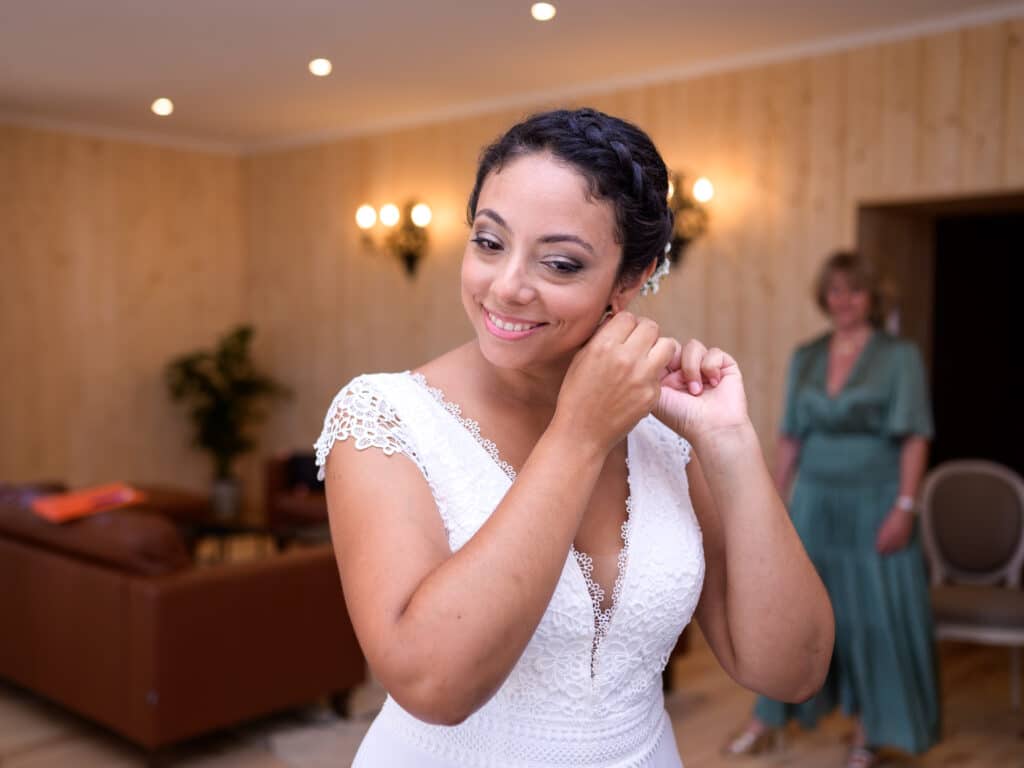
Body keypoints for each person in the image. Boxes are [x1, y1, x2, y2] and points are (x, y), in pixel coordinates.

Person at [314, 108, 833, 767]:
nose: (506, 287)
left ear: (631, 281)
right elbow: (432, 686)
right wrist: (580, 435)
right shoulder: (383, 419)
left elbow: (793, 670)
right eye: (489, 242)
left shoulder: (668, 438)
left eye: (559, 263)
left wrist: (728, 444)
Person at [723, 251, 940, 768]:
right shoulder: (808, 354)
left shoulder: (899, 355)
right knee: (792, 614)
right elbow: (791, 435)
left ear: (872, 297)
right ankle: (767, 720)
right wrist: (770, 500)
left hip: (876, 501)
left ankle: (870, 728)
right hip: (815, 501)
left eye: (855, 291)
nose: (844, 301)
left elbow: (914, 437)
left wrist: (905, 507)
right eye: (836, 291)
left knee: (872, 617)